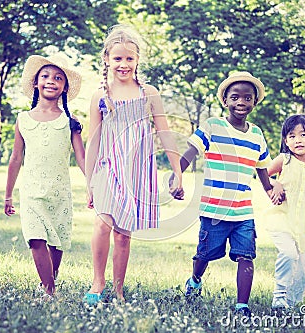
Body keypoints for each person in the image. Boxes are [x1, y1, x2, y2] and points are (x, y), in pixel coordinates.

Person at [83, 24, 183, 305]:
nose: (123, 64)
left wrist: (177, 172)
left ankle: (117, 289)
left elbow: (165, 133)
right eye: (117, 58)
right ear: (107, 59)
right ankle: (97, 281)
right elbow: (93, 140)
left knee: (123, 235)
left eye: (129, 58)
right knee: (102, 224)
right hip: (107, 167)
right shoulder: (100, 95)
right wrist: (88, 182)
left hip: (138, 169)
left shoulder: (148, 93)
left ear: (138, 60)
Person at [171, 71, 282, 318]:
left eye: (247, 98)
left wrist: (271, 189)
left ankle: (242, 305)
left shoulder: (257, 135)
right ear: (226, 101)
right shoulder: (213, 126)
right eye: (235, 97)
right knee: (204, 255)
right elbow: (191, 151)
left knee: (246, 255)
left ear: (254, 102)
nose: (241, 102)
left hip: (243, 211)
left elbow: (262, 168)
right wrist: (176, 175)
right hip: (214, 209)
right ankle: (195, 280)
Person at [4, 55, 85, 300]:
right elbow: (16, 158)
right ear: (36, 83)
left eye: (58, 78)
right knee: (35, 238)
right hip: (30, 191)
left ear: (65, 87)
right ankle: (49, 291)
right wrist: (8, 194)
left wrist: (93, 187)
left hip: (59, 191)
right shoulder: (23, 119)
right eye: (46, 76)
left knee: (56, 242)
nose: (52, 81)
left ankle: (50, 279)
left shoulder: (69, 122)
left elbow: (82, 158)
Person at [266, 114, 305, 311]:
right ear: (286, 141)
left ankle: (291, 303)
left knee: (303, 270)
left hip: (304, 226)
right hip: (281, 219)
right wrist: (275, 183)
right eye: (292, 136)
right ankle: (279, 297)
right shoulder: (284, 160)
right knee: (288, 253)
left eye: (303, 134)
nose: (298, 140)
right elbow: (262, 175)